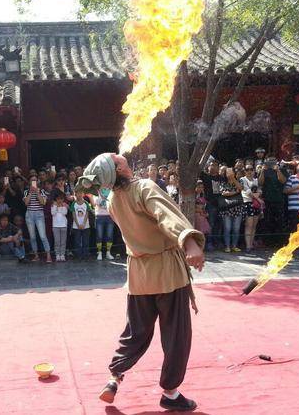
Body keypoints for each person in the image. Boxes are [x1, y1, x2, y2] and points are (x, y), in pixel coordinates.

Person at [77, 153, 204, 412]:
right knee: (176, 335)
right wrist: (190, 242)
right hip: (167, 271)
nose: (118, 154)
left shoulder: (113, 199)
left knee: (136, 333)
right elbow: (165, 215)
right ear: (120, 168)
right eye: (115, 157)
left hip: (138, 274)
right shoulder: (144, 187)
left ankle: (114, 378)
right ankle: (170, 393)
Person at [258, 157, 287, 246]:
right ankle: (268, 242)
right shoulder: (264, 170)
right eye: (269, 161)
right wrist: (262, 170)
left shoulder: (281, 169)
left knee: (279, 222)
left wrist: (277, 170)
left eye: (273, 161)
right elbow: (260, 183)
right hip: (267, 199)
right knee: (267, 221)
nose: (271, 163)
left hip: (279, 199)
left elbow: (283, 181)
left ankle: (279, 242)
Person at [23, 175, 53, 263]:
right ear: (29, 182)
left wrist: (37, 192)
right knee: (32, 237)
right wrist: (31, 193)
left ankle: (48, 255)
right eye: (32, 180)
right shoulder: (26, 192)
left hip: (39, 215)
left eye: (35, 180)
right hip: (29, 215)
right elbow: (26, 203)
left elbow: (43, 202)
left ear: (38, 182)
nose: (34, 182)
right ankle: (36, 255)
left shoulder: (42, 191)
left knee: (43, 236)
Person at [199, 160, 224, 250]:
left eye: (216, 165)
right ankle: (209, 243)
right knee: (210, 224)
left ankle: (217, 242)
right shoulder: (205, 176)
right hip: (210, 204)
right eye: (211, 165)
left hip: (221, 204)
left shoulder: (221, 178)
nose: (213, 166)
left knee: (219, 224)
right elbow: (198, 167)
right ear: (208, 167)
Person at [219, 168, 245, 253]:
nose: (229, 174)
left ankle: (234, 246)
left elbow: (240, 188)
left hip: (238, 208)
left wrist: (233, 179)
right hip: (227, 208)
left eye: (231, 172)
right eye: (228, 172)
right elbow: (223, 193)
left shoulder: (239, 180)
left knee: (236, 228)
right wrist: (235, 192)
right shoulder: (223, 182)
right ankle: (227, 246)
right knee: (227, 228)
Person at [240, 165, 262, 252]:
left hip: (256, 204)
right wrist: (257, 197)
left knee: (254, 225)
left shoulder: (256, 180)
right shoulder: (242, 179)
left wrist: (257, 195)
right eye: (247, 169)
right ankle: (248, 246)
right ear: (244, 171)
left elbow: (259, 190)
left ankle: (251, 244)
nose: (249, 171)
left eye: (251, 169)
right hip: (247, 203)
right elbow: (247, 191)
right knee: (249, 225)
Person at [93, 186, 115, 260]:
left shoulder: (111, 191)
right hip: (99, 216)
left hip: (110, 216)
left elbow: (112, 202)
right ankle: (99, 253)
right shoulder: (96, 191)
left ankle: (108, 252)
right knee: (99, 235)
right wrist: (101, 195)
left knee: (109, 235)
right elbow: (97, 203)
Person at [70, 190, 93, 259]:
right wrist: (77, 224)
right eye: (78, 193)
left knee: (86, 241)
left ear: (83, 194)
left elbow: (86, 214)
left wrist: (83, 224)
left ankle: (85, 254)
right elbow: (73, 215)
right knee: (77, 241)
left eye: (81, 193)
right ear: (75, 194)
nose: (79, 194)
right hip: (76, 226)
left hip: (85, 226)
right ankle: (78, 255)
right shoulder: (74, 204)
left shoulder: (86, 203)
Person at [51, 193, 69, 262]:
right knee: (57, 241)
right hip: (55, 226)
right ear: (56, 199)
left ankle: (62, 255)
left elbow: (64, 212)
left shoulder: (64, 205)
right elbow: (53, 213)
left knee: (63, 242)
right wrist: (56, 206)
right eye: (58, 199)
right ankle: (57, 255)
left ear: (63, 199)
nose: (60, 200)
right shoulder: (53, 205)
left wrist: (61, 207)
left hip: (63, 225)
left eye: (61, 199)